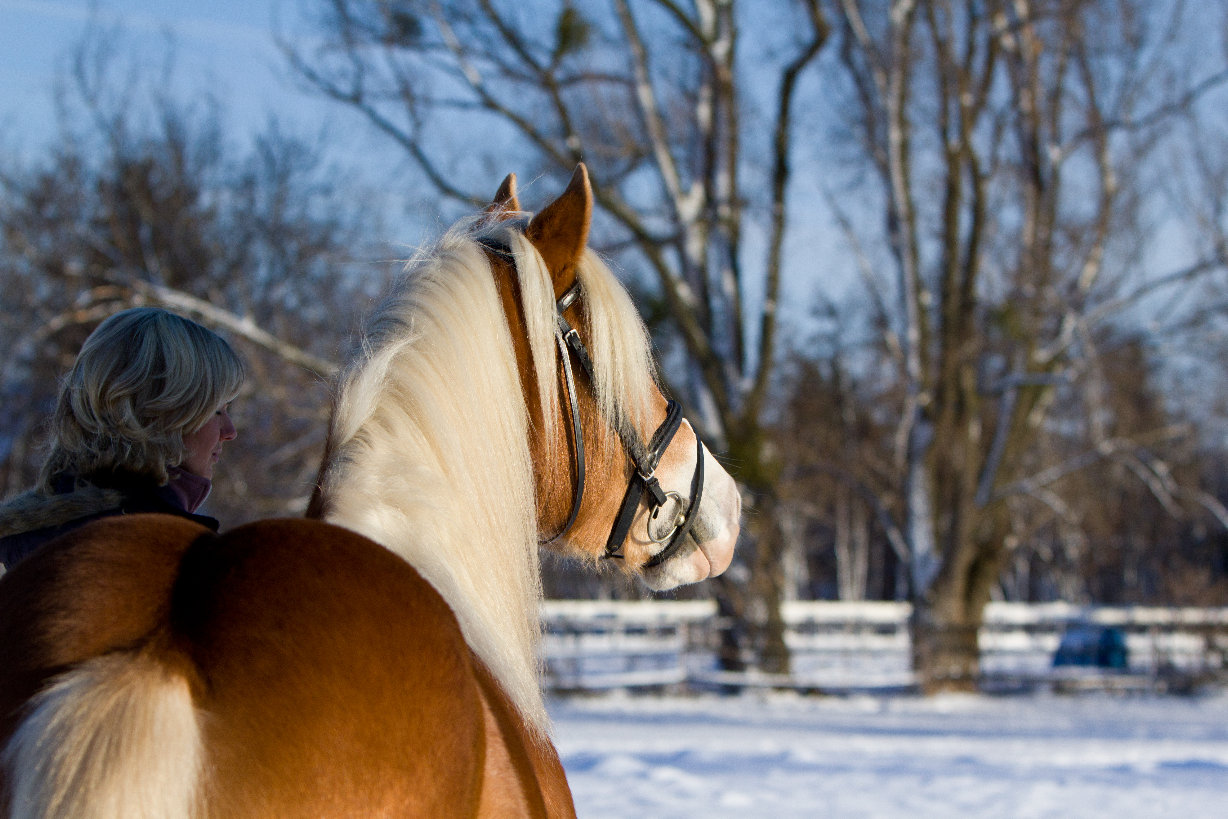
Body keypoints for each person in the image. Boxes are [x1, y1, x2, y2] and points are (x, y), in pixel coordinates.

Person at [0, 307, 244, 572]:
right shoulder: (168, 559)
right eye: (216, 410)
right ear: (161, 413)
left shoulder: (23, 538)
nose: (230, 431)